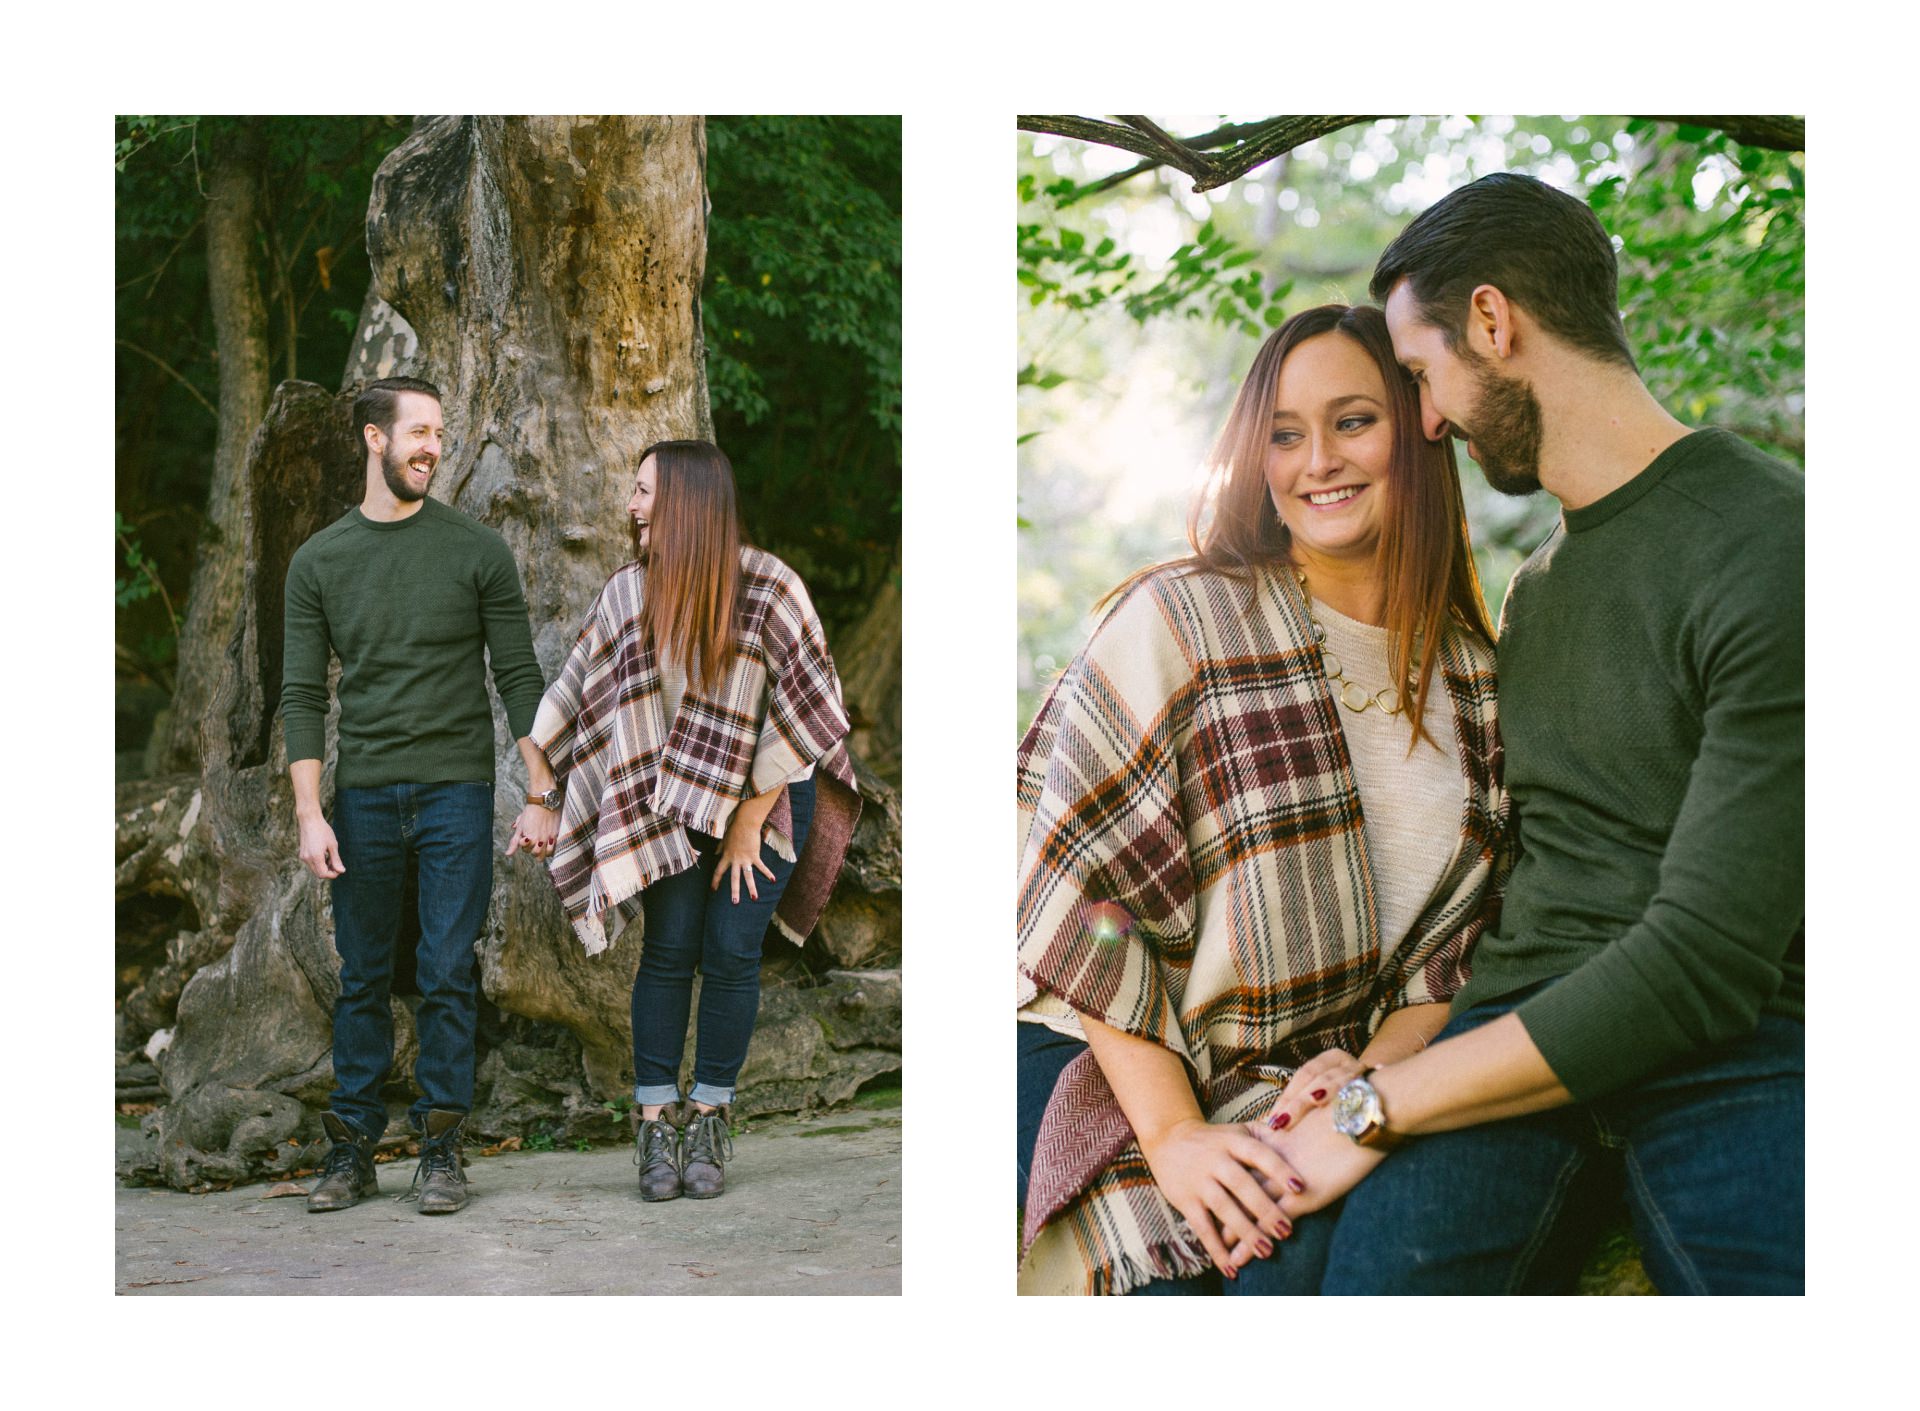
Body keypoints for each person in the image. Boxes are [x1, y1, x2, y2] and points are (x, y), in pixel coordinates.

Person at [1263, 173, 1804, 1294]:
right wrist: (1370, 1065)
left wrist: (1378, 1107)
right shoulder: (1536, 593)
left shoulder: (1774, 543)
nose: (1425, 423)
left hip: (1728, 1053)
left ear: (1495, 324)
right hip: (1508, 1047)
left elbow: (1706, 961)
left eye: (1421, 373)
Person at [1015, 304, 1510, 1295]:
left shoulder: (1482, 687)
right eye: (1284, 433)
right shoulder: (1183, 619)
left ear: (1419, 428)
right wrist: (1176, 1134)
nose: (1316, 458)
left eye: (1352, 420)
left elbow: (1450, 965)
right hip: (1119, 1061)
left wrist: (1364, 1078)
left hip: (1325, 1083)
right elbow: (1084, 905)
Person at [529, 439, 861, 1202]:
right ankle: (654, 1123)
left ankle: (710, 1112)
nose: (631, 506)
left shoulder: (771, 588)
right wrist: (540, 785)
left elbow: (808, 719)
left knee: (732, 948)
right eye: (633, 491)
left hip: (768, 796)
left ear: (686, 501)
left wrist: (748, 822)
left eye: (644, 491)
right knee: (671, 948)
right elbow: (574, 694)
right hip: (666, 801)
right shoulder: (628, 593)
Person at [282, 375, 559, 1216]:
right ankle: (353, 1150)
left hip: (456, 792)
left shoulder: (475, 549)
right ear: (374, 438)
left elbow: (517, 674)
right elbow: (302, 693)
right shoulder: (319, 560)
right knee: (362, 974)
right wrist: (308, 810)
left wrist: (542, 788)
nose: (433, 446)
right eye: (419, 432)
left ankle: (441, 1151)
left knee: (445, 969)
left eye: (439, 432)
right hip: (361, 791)